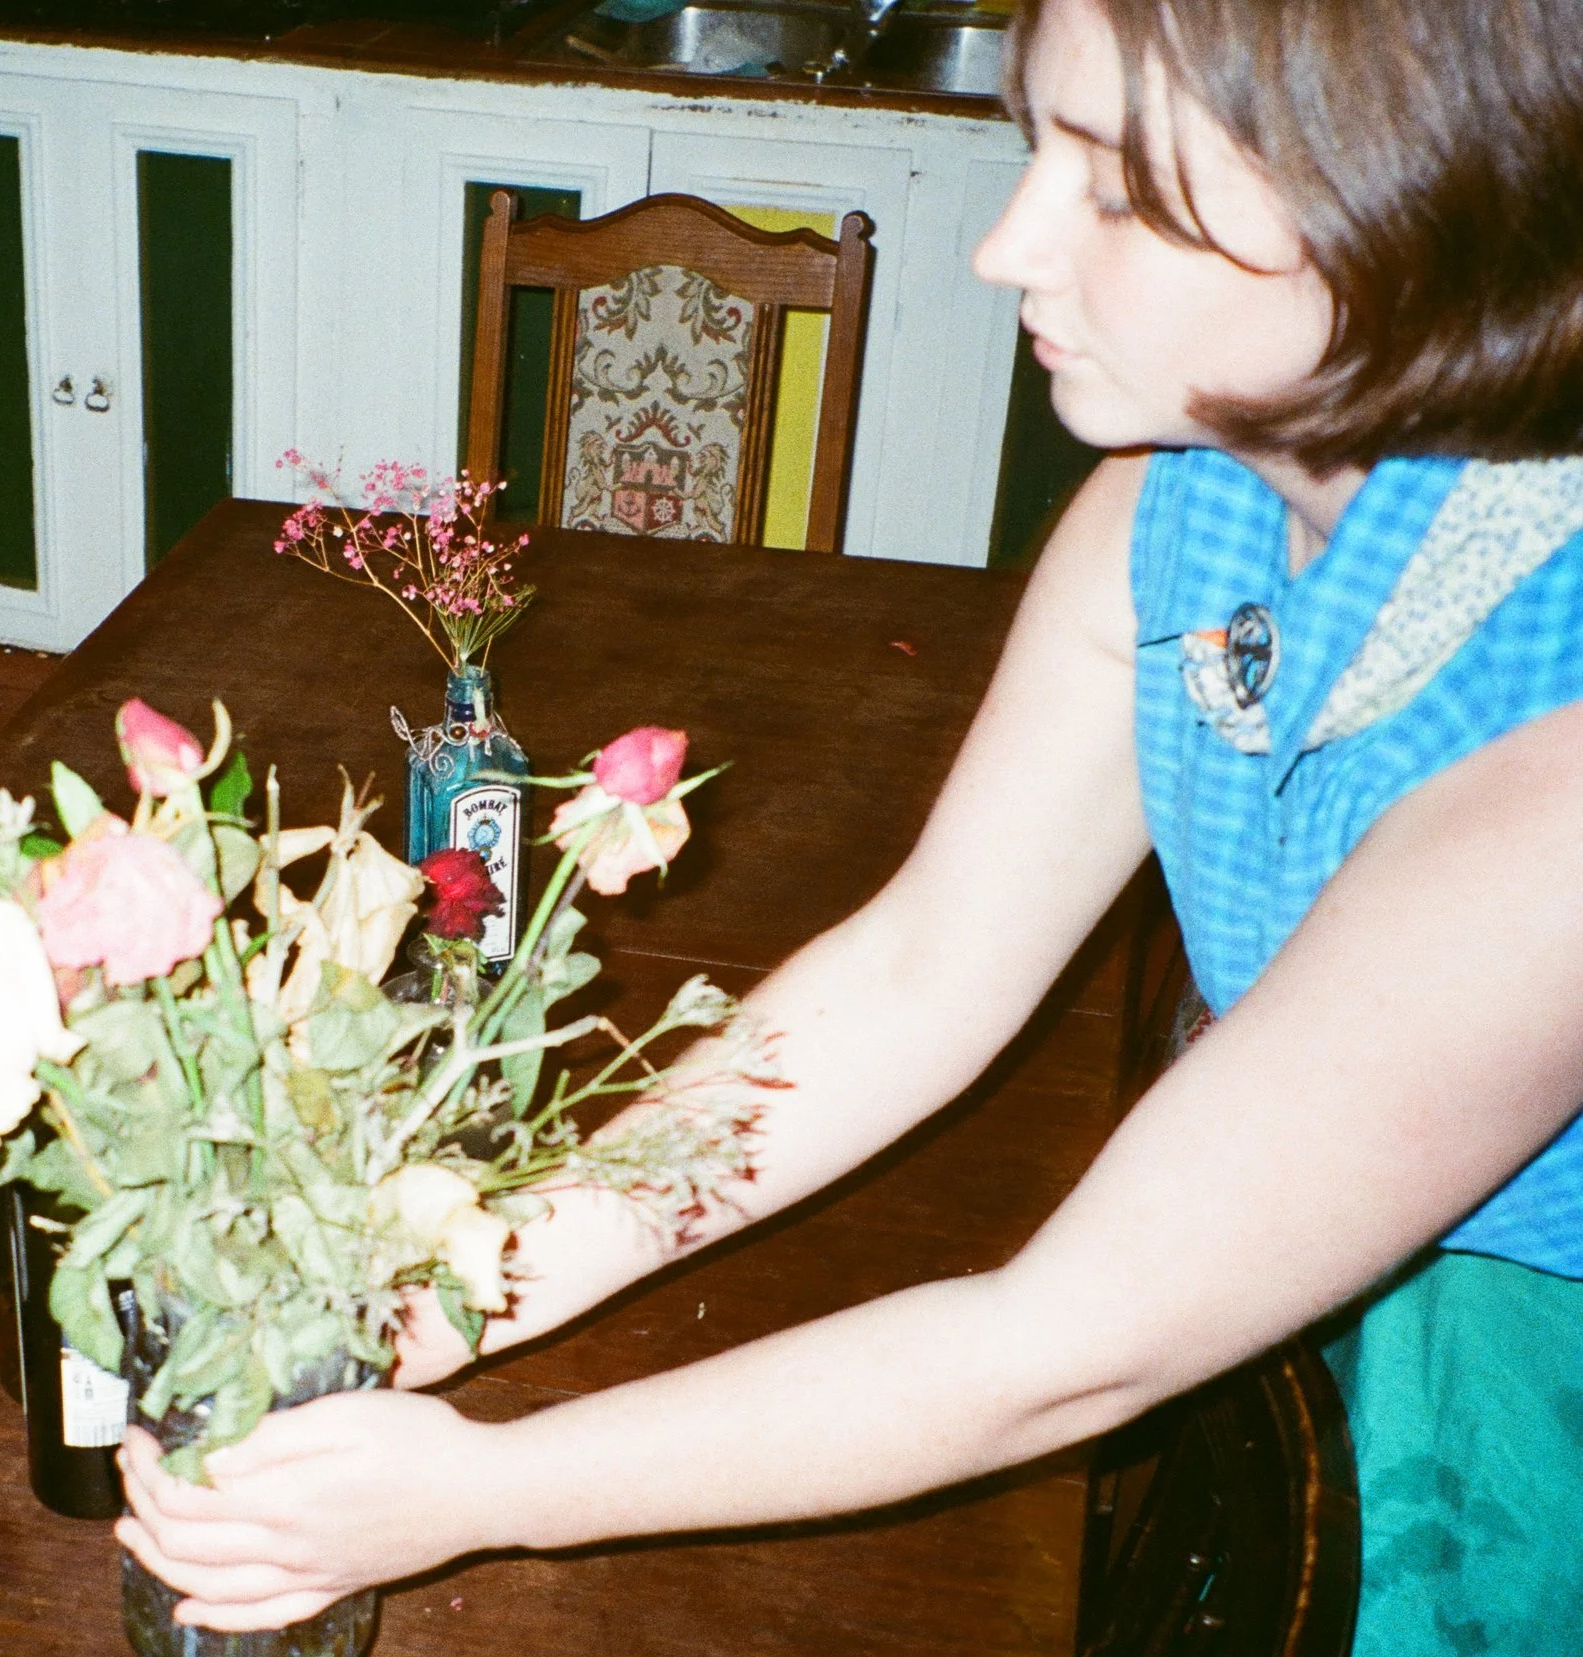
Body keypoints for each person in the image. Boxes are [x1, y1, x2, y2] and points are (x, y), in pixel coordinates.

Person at [114, 0, 1583, 1650]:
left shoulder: (1561, 769)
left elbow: (1064, 1349)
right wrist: (462, 1278)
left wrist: (487, 1488)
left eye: (1118, 192)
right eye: (1041, 150)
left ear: (1413, 215)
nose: (1005, 247)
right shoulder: (1186, 498)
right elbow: (920, 972)